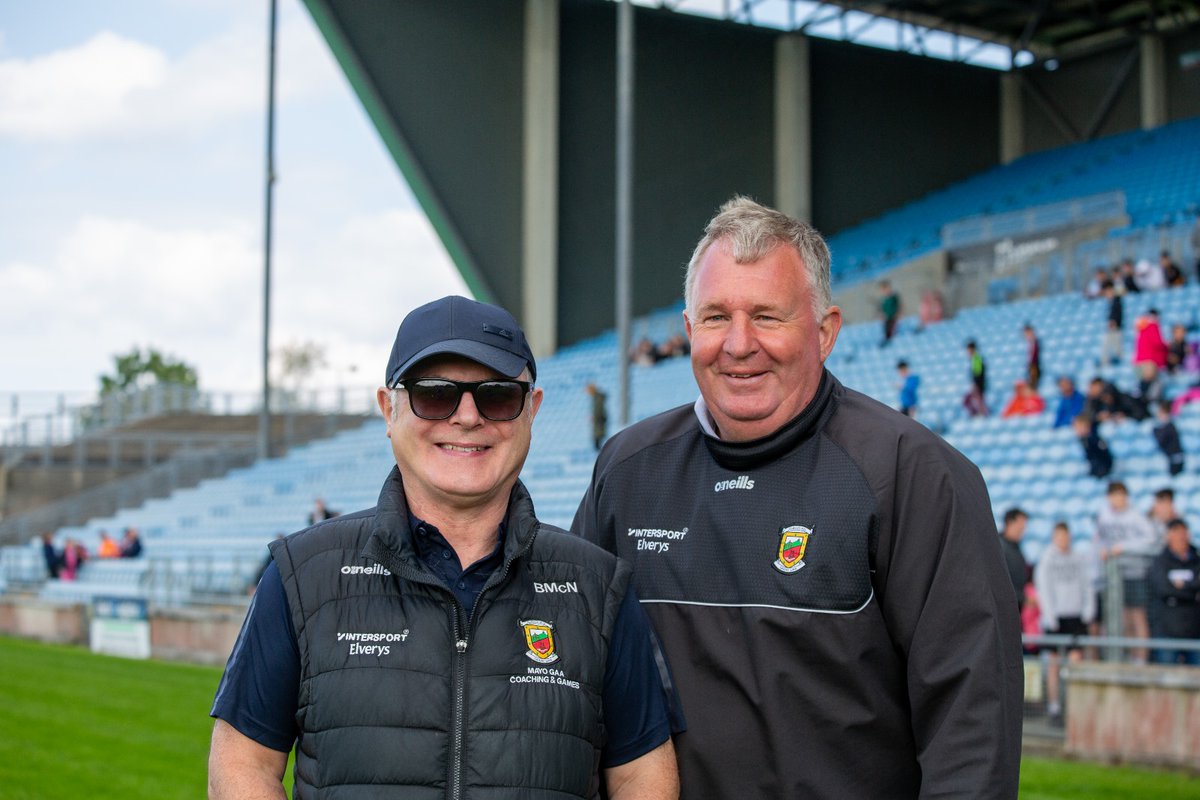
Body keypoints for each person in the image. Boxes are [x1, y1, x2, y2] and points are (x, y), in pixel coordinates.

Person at [572, 197, 1022, 799]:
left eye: (768, 316)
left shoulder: (911, 473)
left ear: (826, 331)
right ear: (687, 331)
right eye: (714, 317)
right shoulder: (626, 471)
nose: (738, 344)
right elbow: (572, 685)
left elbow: (972, 726)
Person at [209, 296, 679, 799]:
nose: (468, 417)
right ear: (389, 409)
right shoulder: (301, 575)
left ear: (532, 410)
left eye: (497, 395)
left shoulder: (599, 586)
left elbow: (641, 777)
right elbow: (243, 764)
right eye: (434, 395)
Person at [1034, 521, 1094, 724]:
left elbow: (1087, 585)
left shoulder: (1078, 558)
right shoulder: (1047, 560)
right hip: (1056, 617)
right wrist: (1049, 615)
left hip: (1075, 616)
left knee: (1076, 661)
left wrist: (1088, 610)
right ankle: (1054, 706)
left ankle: (1074, 706)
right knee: (1053, 664)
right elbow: (1044, 588)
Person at [1094, 481, 1158, 662]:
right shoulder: (1104, 516)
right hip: (1116, 575)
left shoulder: (1136, 516)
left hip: (1136, 572)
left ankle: (1141, 658)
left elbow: (1150, 540)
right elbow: (1101, 542)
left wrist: (1124, 548)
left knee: (1138, 617)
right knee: (1124, 618)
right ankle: (1131, 656)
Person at [1147, 518, 1200, 665]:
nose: (1181, 537)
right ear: (1168, 535)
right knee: (1166, 675)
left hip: (1194, 627)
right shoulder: (1160, 561)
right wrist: (1192, 590)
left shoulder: (1196, 559)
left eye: (1183, 532)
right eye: (1176, 533)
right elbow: (1164, 589)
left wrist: (1181, 586)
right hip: (1167, 628)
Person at [999, 507, 1031, 611]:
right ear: (1010, 522)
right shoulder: (999, 547)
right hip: (1005, 606)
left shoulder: (1015, 546)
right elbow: (1001, 581)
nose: (1023, 529)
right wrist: (1022, 598)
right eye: (1020, 525)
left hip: (1016, 605)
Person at [1072, 414, 1114, 479]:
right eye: (1076, 427)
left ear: (1087, 427)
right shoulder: (1080, 441)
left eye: (1080, 426)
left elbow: (1106, 460)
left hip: (1099, 474)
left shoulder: (1095, 441)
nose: (1077, 429)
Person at [1151, 403, 1186, 477]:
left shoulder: (1170, 427)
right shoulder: (1167, 427)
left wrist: (1155, 430)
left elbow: (1162, 440)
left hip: (1174, 459)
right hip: (1169, 457)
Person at [1100, 280, 1123, 366]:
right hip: (1114, 329)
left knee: (1113, 348)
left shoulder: (1117, 301)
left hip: (1114, 329)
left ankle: (1107, 363)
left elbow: (1115, 318)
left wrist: (1112, 325)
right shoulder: (1112, 302)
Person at [964, 338, 989, 416]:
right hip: (978, 385)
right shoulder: (974, 359)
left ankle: (982, 415)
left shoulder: (977, 359)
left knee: (975, 401)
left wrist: (976, 385)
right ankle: (978, 414)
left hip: (978, 385)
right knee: (970, 401)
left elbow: (979, 373)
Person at [585, 382, 608, 451]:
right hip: (598, 421)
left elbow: (598, 410)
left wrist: (594, 417)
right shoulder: (596, 398)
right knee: (598, 441)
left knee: (598, 441)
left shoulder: (598, 398)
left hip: (599, 422)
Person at [878, 279, 900, 346]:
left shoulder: (894, 297)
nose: (884, 291)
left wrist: (898, 313)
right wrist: (882, 314)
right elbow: (882, 308)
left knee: (892, 328)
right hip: (886, 317)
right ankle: (886, 340)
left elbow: (898, 306)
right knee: (886, 328)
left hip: (893, 316)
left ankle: (891, 340)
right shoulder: (883, 299)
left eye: (885, 288)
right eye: (883, 289)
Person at [1023, 323, 1041, 389]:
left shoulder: (1034, 342)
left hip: (1034, 366)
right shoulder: (1028, 343)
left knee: (1033, 385)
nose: (1025, 335)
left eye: (1026, 332)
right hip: (1031, 367)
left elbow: (1033, 358)